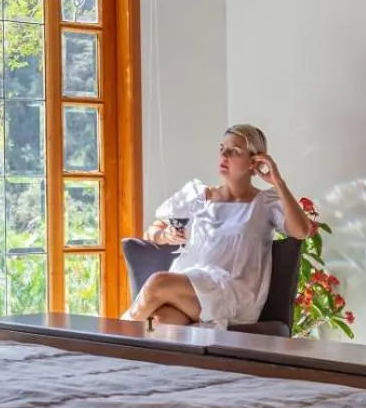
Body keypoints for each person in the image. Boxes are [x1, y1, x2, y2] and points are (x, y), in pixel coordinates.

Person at [123, 124, 314, 328]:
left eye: (234, 151)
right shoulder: (198, 196)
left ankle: (108, 339)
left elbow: (301, 231)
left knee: (158, 282)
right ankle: (119, 354)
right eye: (222, 148)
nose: (224, 154)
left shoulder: (265, 203)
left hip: (233, 292)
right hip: (188, 289)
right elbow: (151, 233)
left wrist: (278, 182)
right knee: (159, 322)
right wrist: (164, 234)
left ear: (254, 162)